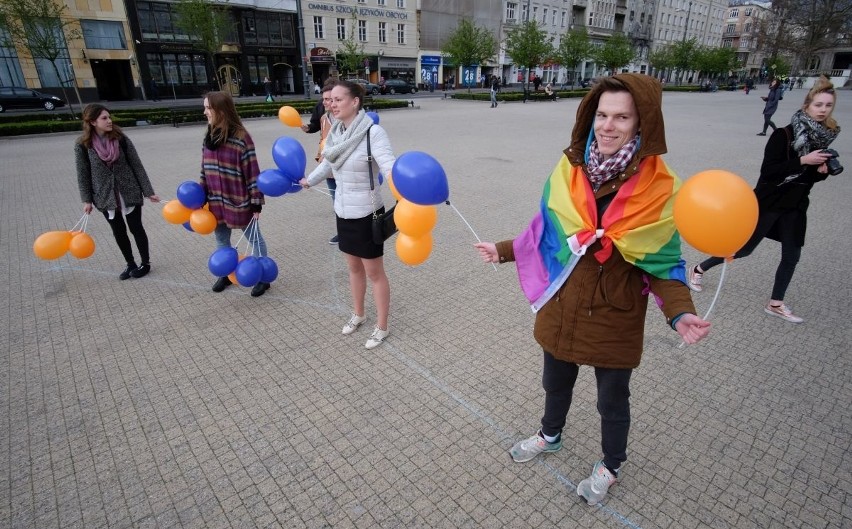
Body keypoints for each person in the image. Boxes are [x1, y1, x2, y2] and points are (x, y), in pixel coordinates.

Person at [473, 74, 711, 506]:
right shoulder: (570, 168)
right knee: (555, 384)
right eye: (602, 114)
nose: (608, 126)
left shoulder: (660, 188)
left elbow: (663, 262)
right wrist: (504, 250)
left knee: (612, 402)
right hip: (563, 305)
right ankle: (550, 434)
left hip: (614, 316)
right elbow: (547, 231)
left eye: (622, 116)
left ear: (643, 123)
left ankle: (611, 464)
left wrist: (680, 313)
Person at [688, 76, 840, 323]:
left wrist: (820, 172)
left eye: (827, 106)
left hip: (796, 206)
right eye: (818, 105)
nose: (823, 110)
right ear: (806, 106)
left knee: (792, 255)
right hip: (770, 202)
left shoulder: (822, 138)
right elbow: (769, 171)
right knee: (744, 248)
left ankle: (775, 303)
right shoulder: (784, 135)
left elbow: (807, 179)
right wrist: (803, 160)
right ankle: (699, 269)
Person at [298, 80, 396, 350]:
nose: (332, 104)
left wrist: (405, 189)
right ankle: (359, 314)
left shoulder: (373, 133)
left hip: (367, 212)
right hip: (343, 210)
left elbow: (389, 167)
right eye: (330, 100)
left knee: (374, 272)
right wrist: (309, 180)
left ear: (355, 102)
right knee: (353, 269)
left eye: (339, 99)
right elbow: (328, 163)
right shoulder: (336, 132)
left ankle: (382, 326)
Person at [75, 104, 160, 279]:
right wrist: (87, 200)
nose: (109, 121)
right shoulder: (83, 145)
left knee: (136, 228)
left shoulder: (120, 139)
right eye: (104, 118)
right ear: (92, 122)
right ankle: (130, 263)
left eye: (109, 117)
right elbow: (83, 174)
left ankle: (145, 263)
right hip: (105, 196)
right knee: (118, 231)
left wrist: (148, 191)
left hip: (129, 191)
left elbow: (137, 165)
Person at [200, 91, 269, 297]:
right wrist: (202, 193)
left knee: (254, 239)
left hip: (239, 201)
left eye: (208, 108)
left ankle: (263, 276)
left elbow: (252, 172)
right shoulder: (209, 136)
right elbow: (204, 168)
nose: (205, 112)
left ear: (220, 110)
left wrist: (256, 203)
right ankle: (225, 272)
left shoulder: (241, 138)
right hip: (215, 202)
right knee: (222, 240)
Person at [303, 80, 339, 244]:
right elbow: (321, 134)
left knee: (345, 200)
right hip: (328, 167)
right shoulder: (324, 117)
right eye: (323, 99)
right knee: (336, 201)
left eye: (327, 99)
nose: (323, 102)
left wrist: (310, 180)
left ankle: (349, 232)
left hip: (341, 167)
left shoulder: (345, 120)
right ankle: (342, 232)